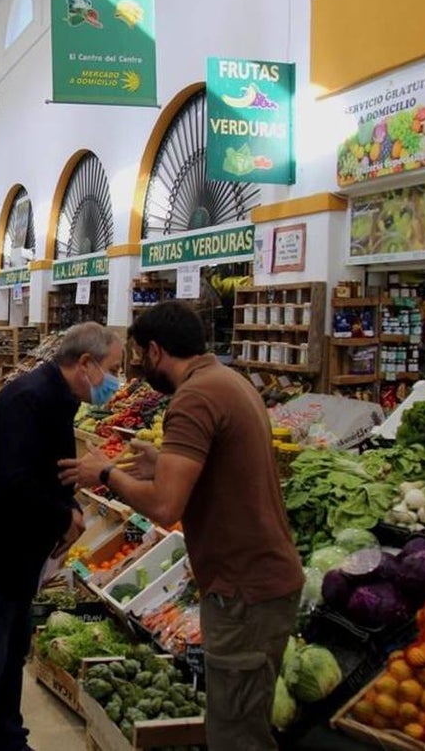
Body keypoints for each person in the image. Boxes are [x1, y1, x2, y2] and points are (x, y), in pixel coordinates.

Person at [58, 302, 303, 751]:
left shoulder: (194, 397)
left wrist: (107, 474)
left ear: (155, 351)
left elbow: (166, 506)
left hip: (244, 588)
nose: (132, 369)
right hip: (264, 579)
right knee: (246, 719)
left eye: (135, 357)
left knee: (235, 733)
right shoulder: (230, 381)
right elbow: (217, 470)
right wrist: (160, 461)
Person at [0, 322, 123, 751]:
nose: (116, 380)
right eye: (113, 368)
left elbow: (52, 474)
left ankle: (8, 737)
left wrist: (70, 508)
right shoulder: (30, 398)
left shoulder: (60, 399)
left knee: (11, 651)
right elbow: (15, 479)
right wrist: (62, 514)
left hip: (16, 551)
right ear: (87, 363)